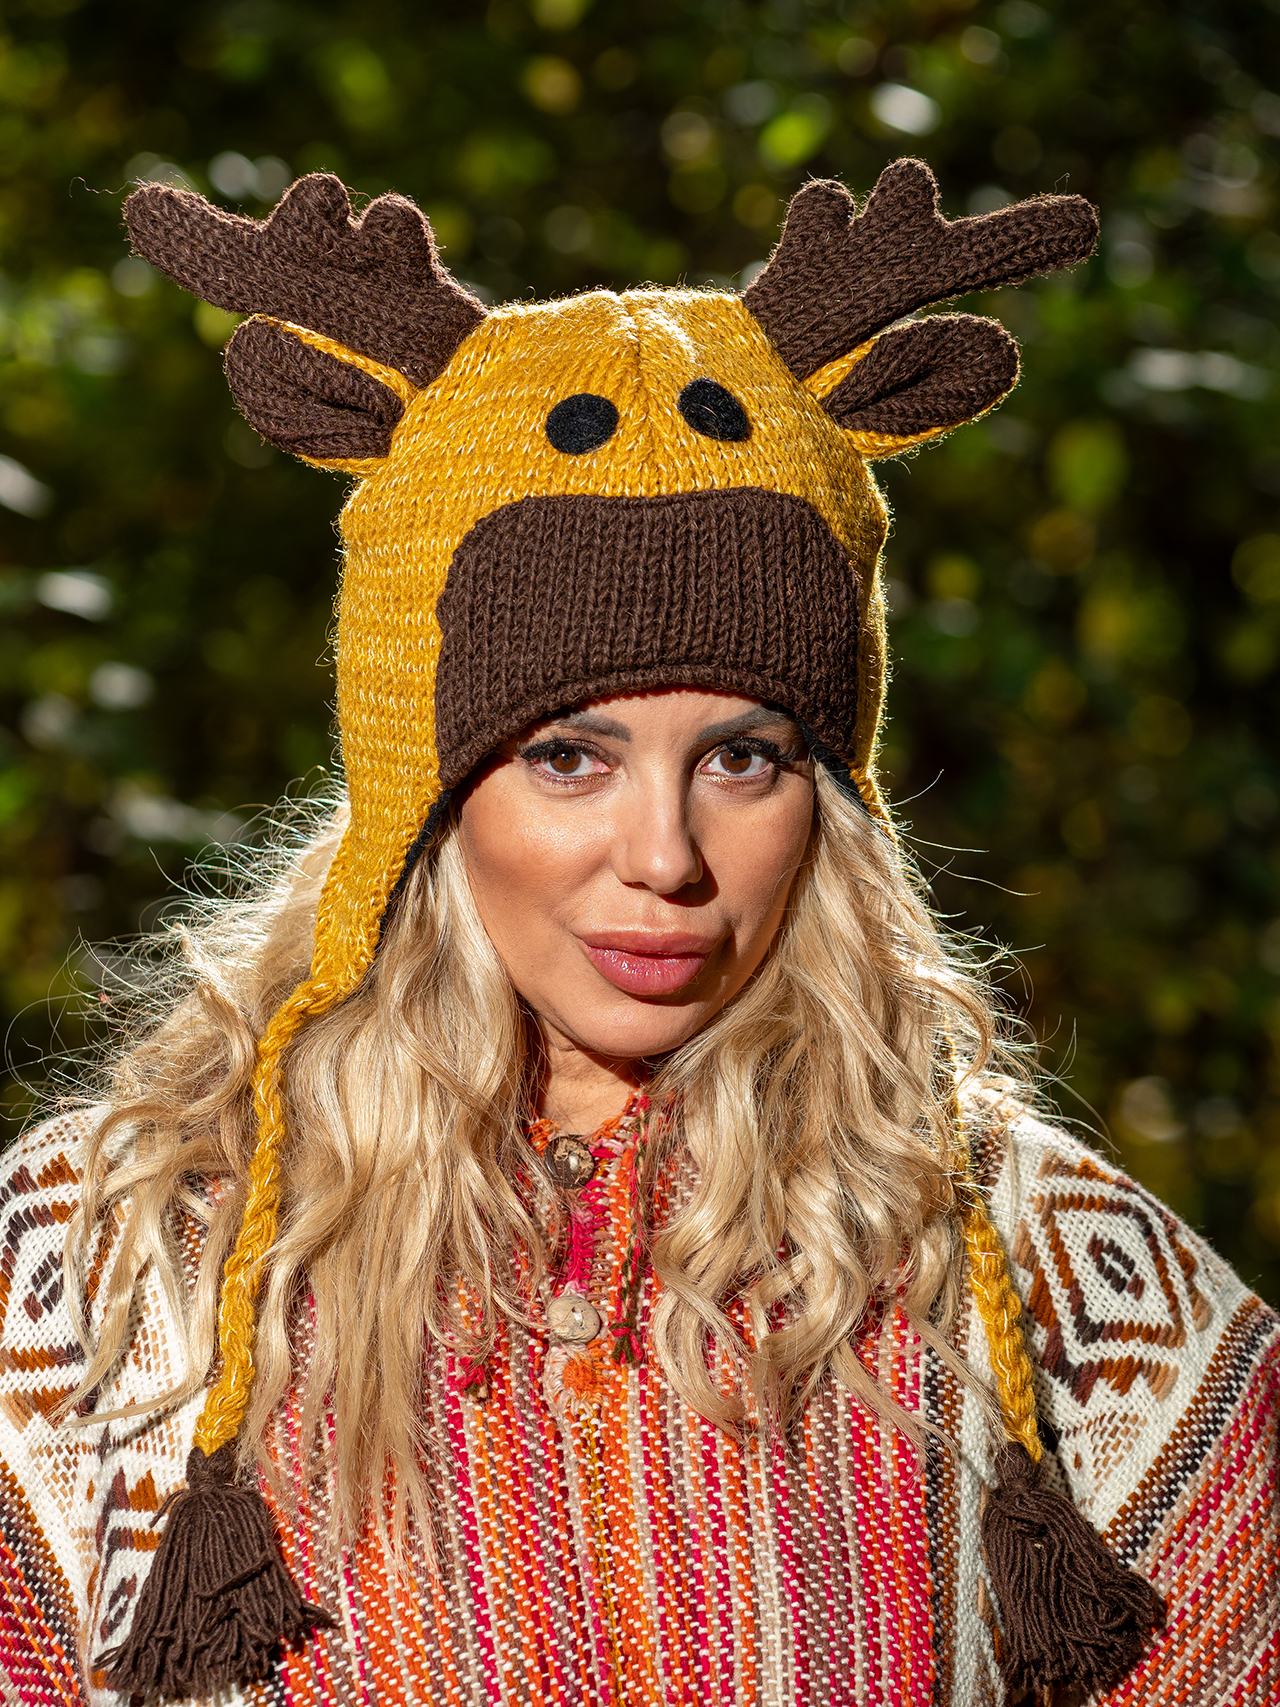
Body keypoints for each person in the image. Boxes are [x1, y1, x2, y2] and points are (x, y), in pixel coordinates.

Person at [0, 160, 1275, 1707]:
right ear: (423, 785)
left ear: (834, 793)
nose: (664, 858)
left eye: (744, 758)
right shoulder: (113, 1254)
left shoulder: (1021, 1252)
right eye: (567, 756)